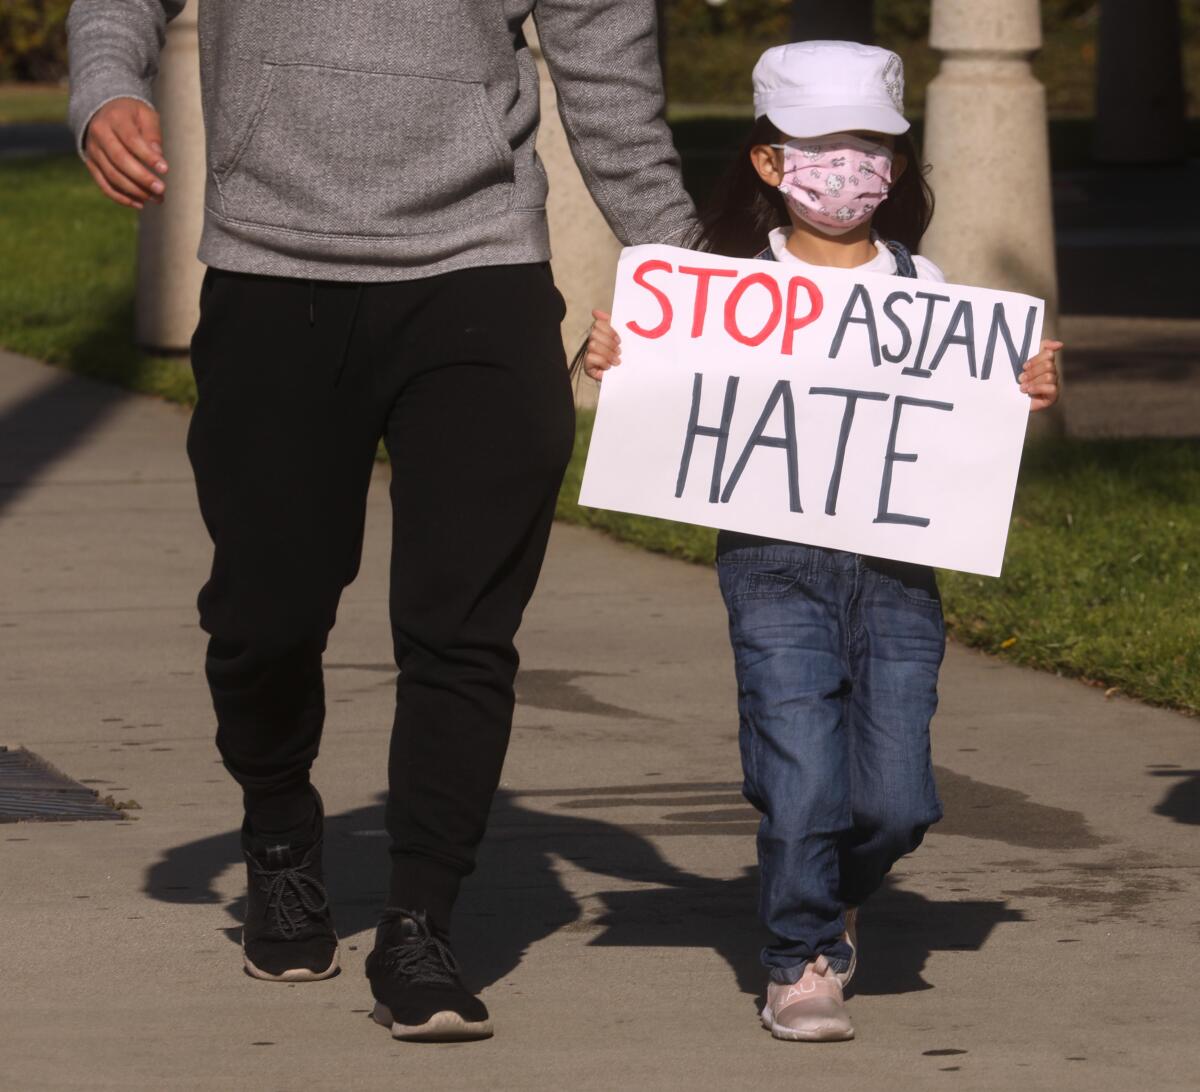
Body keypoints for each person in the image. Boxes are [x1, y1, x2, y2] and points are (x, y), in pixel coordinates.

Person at [67, 0, 695, 1042]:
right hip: (271, 269)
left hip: (479, 270)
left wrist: (703, 288)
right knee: (265, 617)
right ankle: (279, 833)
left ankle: (420, 923)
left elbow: (614, 90)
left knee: (463, 625)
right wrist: (105, 87)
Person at [584, 40, 1061, 1043]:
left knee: (897, 804)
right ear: (769, 161)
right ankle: (799, 956)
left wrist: (1018, 390)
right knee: (800, 773)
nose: (848, 168)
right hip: (771, 566)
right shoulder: (717, 292)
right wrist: (613, 356)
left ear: (894, 162)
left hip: (895, 574)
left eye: (871, 147)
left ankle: (832, 888)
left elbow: (958, 415)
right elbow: (665, 390)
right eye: (820, 146)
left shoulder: (922, 285)